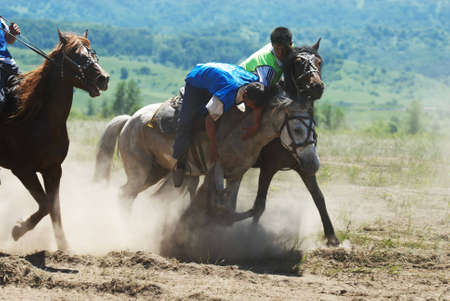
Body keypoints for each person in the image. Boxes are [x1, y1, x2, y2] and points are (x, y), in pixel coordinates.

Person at [172, 62, 269, 187]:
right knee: (186, 121)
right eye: (252, 105)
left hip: (220, 75)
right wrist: (213, 147)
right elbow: (209, 120)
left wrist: (256, 124)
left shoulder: (256, 83)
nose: (254, 108)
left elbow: (258, 105)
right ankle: (180, 162)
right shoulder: (227, 95)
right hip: (198, 79)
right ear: (244, 95)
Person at [0, 18, 20, 116]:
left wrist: (13, 33)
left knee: (26, 94)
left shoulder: (1, 20)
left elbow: (9, 39)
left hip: (9, 64)